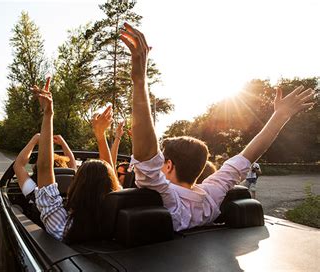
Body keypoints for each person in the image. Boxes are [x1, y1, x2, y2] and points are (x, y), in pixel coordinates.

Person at [120, 22, 316, 231]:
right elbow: (248, 155)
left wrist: (139, 81)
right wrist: (280, 116)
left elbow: (147, 158)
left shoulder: (167, 197)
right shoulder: (212, 196)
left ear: (168, 166)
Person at [31, 78, 120, 243]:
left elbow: (43, 167)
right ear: (113, 185)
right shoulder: (121, 221)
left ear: (76, 185)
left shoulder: (62, 226)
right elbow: (110, 174)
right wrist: (101, 137)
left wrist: (48, 114)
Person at [13, 133, 76, 200]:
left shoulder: (35, 191)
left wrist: (35, 139)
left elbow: (18, 165)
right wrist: (63, 143)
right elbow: (73, 168)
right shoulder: (74, 188)